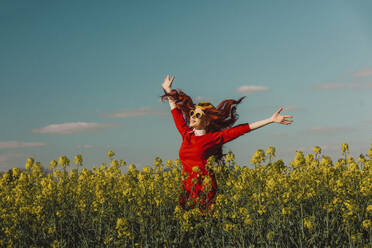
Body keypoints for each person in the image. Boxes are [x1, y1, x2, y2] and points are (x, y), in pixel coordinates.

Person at [160, 74, 293, 213]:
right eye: (193, 113)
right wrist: (168, 90)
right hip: (187, 188)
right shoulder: (186, 134)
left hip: (204, 188)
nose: (192, 116)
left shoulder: (213, 138)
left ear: (206, 121)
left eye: (198, 115)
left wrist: (270, 119)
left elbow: (241, 129)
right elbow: (176, 114)